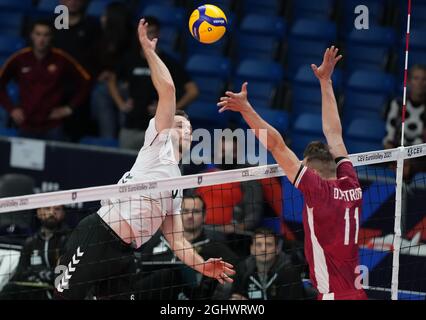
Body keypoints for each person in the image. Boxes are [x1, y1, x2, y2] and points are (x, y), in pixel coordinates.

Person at [54, 19, 235, 300]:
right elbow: (169, 92)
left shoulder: (178, 184)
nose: (183, 128)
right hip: (97, 236)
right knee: (63, 297)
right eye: (177, 123)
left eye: (187, 127)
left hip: (125, 254)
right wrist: (150, 52)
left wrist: (202, 266)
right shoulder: (156, 144)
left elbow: (175, 239)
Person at [218, 46, 368, 300]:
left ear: (311, 171)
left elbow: (277, 145)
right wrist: (326, 81)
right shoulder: (351, 182)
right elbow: (335, 136)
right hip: (356, 293)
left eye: (302, 164)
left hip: (334, 296)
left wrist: (246, 110)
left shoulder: (318, 191)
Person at [108, 16, 199, 150]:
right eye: (145, 32)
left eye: (152, 32)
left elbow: (193, 91)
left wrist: (169, 110)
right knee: (126, 168)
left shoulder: (168, 62)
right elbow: (111, 80)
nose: (148, 36)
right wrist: (121, 104)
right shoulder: (130, 59)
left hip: (159, 131)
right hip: (131, 127)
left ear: (158, 34)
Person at [136, 191, 239, 300]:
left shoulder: (215, 247)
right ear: (177, 214)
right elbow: (140, 269)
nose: (190, 216)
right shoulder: (156, 239)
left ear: (204, 216)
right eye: (185, 211)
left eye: (195, 212)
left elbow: (236, 269)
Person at [0, 19, 91, 141]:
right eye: (38, 34)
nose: (41, 40)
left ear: (51, 37)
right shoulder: (20, 58)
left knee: (56, 160)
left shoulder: (61, 59)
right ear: (32, 35)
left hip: (52, 126)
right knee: (21, 161)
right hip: (26, 125)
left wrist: (69, 108)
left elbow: (86, 81)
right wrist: (11, 109)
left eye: (46, 35)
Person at [0, 206, 70, 300]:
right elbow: (20, 273)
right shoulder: (31, 242)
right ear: (39, 212)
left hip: (58, 292)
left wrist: (37, 272)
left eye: (57, 209)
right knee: (10, 289)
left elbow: (63, 276)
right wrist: (44, 274)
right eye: (47, 209)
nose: (52, 212)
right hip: (35, 290)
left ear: (63, 213)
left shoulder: (68, 240)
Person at [90, 1, 134, 139]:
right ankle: (106, 139)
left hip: (128, 84)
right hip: (108, 86)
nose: (102, 19)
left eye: (105, 16)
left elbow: (133, 64)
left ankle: (124, 139)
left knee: (124, 93)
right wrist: (99, 74)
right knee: (100, 92)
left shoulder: (133, 39)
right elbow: (93, 64)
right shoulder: (100, 38)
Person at [231, 227, 306, 300]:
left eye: (268, 244)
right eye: (258, 245)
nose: (263, 249)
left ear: (277, 249)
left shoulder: (289, 272)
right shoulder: (243, 270)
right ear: (252, 249)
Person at [383, 64, 426, 179]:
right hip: (396, 155)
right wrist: (396, 160)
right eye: (416, 78)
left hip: (419, 159)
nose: (420, 83)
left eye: (424, 79)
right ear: (409, 81)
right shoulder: (397, 104)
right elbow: (388, 139)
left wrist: (408, 162)